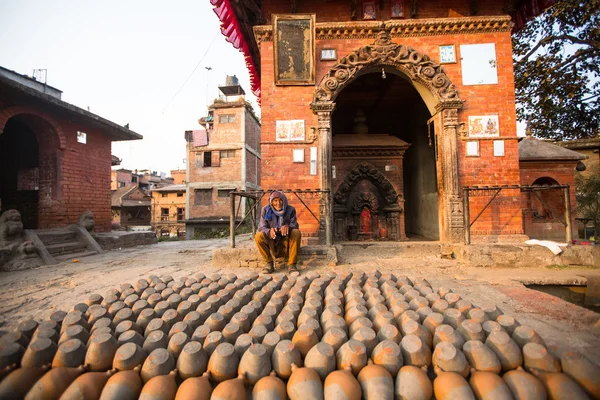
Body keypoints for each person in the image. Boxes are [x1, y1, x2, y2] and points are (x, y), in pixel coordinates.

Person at [255, 191, 301, 273]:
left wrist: (288, 227)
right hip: (272, 241)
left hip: (286, 241)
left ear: (284, 201)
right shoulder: (265, 210)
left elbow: (294, 224)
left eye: (280, 200)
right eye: (275, 201)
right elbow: (261, 226)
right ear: (271, 202)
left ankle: (292, 265)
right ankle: (269, 263)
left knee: (296, 232)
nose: (278, 203)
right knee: (258, 236)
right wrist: (269, 231)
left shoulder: (290, 210)